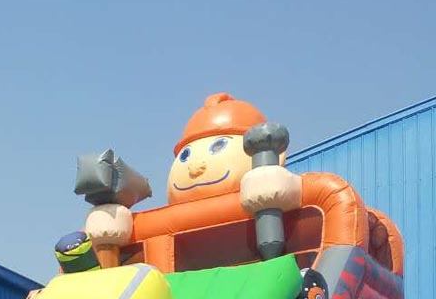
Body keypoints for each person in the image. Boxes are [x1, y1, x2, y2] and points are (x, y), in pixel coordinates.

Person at [82, 93, 302, 252]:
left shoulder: (284, 201)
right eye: (185, 155)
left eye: (219, 146)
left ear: (279, 155)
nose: (195, 167)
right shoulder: (159, 225)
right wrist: (109, 230)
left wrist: (277, 188)